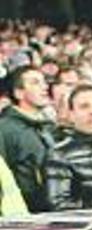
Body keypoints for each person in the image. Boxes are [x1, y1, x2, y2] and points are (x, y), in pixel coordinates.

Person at [0, 65, 55, 212]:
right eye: (35, 83)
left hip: (50, 211)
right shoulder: (5, 129)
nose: (44, 87)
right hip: (23, 215)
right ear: (18, 93)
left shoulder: (48, 126)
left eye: (44, 82)